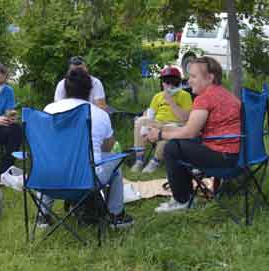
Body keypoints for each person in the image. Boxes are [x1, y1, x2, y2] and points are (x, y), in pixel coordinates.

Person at [40, 68, 134, 229]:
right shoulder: (99, 114)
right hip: (86, 180)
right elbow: (108, 146)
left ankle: (43, 216)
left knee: (50, 162)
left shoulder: (48, 110)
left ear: (64, 89)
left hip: (48, 180)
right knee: (116, 163)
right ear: (90, 90)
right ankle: (116, 215)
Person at [146, 56, 241, 213]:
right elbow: (191, 128)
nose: (189, 81)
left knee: (172, 148)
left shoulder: (204, 98)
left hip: (224, 157)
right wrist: (165, 131)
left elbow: (189, 132)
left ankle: (182, 200)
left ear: (210, 78)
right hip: (238, 155)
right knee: (181, 144)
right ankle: (186, 193)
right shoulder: (226, 94)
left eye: (193, 76)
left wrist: (161, 135)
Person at [131, 66, 192, 173]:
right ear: (162, 83)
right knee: (140, 121)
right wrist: (145, 124)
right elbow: (150, 115)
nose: (169, 85)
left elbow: (185, 119)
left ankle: (154, 162)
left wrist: (171, 102)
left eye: (172, 82)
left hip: (175, 124)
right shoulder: (158, 96)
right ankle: (139, 160)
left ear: (177, 83)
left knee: (169, 129)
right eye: (166, 82)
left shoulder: (185, 95)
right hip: (158, 123)